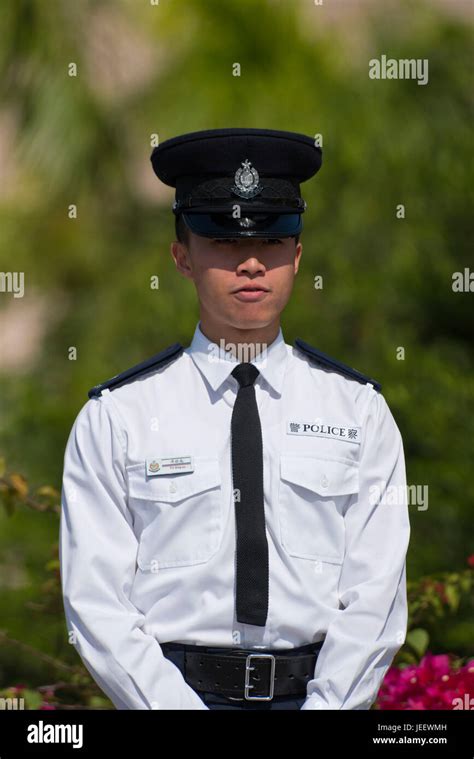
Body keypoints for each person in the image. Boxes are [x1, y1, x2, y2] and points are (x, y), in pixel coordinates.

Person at [59, 128, 411, 710]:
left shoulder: (358, 411)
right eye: (223, 241)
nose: (251, 263)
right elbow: (97, 604)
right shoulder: (118, 417)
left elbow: (376, 598)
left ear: (297, 257)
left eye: (273, 241)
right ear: (182, 257)